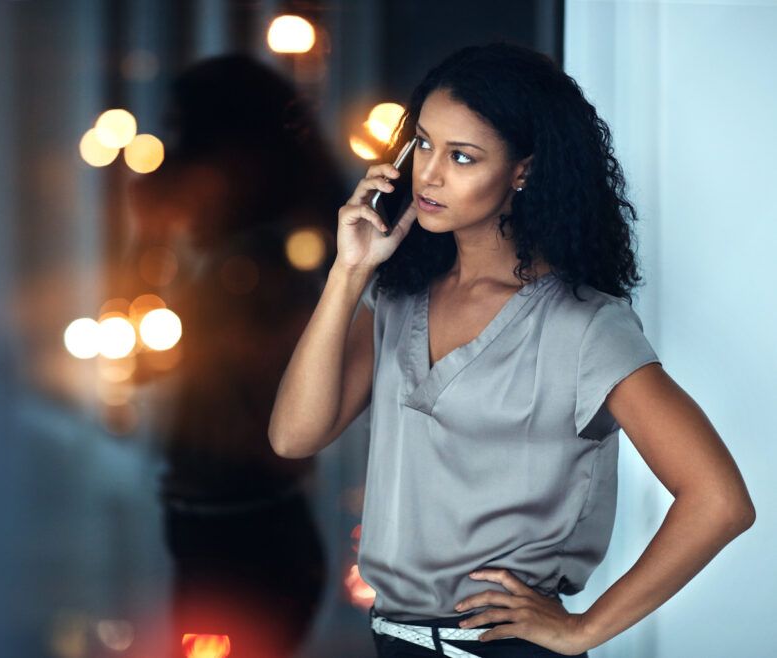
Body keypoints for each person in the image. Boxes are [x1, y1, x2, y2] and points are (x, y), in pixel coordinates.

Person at [269, 42, 755, 658]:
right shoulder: (397, 299)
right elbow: (293, 437)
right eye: (422, 144)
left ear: (522, 170)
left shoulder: (584, 326)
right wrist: (348, 272)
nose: (431, 174)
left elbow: (719, 502)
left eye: (462, 156)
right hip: (392, 641)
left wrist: (583, 630)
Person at [128, 54, 346, 658]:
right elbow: (146, 362)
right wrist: (147, 242)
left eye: (182, 137)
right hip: (229, 535)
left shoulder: (257, 270)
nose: (173, 160)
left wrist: (149, 243)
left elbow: (238, 404)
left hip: (241, 544)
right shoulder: (248, 263)